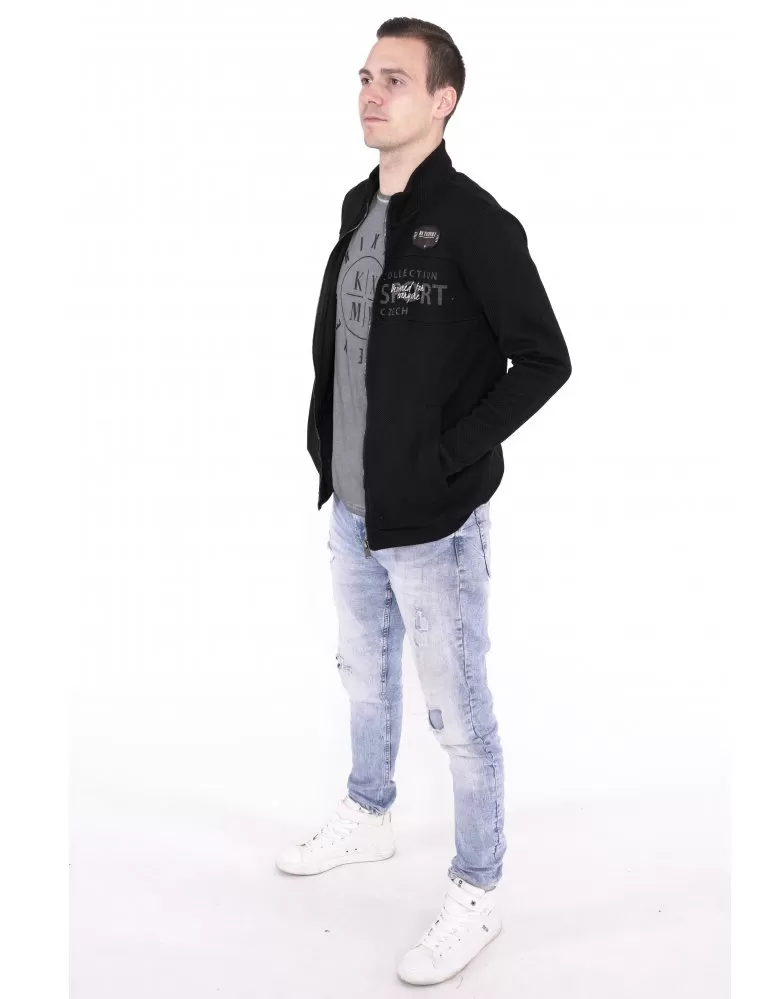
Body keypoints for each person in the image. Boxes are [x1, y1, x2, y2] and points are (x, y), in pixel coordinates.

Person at [278, 16, 572, 986]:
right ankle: (368, 812)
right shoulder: (357, 205)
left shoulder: (477, 223)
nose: (370, 93)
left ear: (443, 102)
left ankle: (477, 886)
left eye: (394, 80)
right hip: (352, 509)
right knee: (362, 678)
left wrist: (447, 454)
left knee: (460, 715)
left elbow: (544, 359)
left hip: (435, 524)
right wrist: (331, 453)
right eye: (365, 76)